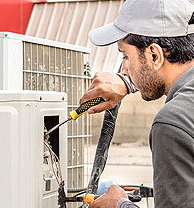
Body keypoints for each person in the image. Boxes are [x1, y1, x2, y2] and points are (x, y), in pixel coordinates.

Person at [80, 0, 194, 207]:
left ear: (154, 54)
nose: (124, 70)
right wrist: (130, 83)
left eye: (125, 56)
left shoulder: (172, 123)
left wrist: (120, 205)